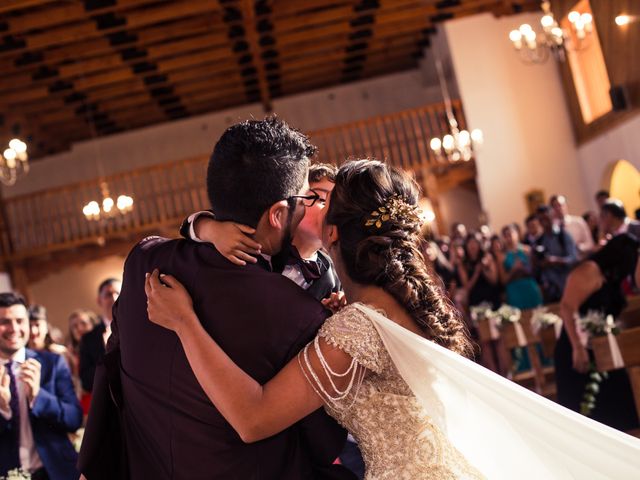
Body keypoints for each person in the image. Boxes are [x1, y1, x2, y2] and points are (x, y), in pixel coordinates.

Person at [146, 159, 640, 479]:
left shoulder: (357, 330)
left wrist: (185, 323)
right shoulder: (417, 309)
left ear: (334, 234)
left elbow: (253, 418)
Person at [78, 117, 351, 480]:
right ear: (278, 214)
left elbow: (114, 363)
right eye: (304, 197)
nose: (308, 207)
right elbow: (322, 442)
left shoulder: (144, 261)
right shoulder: (297, 316)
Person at [556, 233, 640, 431]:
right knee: (587, 412)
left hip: (602, 351)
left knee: (621, 405)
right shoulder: (589, 270)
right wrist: (578, 347)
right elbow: (567, 308)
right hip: (576, 347)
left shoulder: (611, 277)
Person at [0, 293, 82, 480]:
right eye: (4, 321)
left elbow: (74, 419)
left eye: (20, 321)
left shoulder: (52, 363)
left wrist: (38, 396)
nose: (14, 328)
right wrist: (3, 409)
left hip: (56, 472)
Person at [78, 278, 120, 399]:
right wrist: (107, 352)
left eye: (118, 293)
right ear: (99, 300)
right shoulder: (88, 339)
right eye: (108, 294)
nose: (114, 298)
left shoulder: (136, 328)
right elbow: (86, 382)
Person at [535, 206, 578, 304]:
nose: (544, 222)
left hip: (567, 284)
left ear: (552, 216)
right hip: (551, 289)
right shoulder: (539, 241)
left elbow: (574, 259)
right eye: (541, 219)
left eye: (546, 218)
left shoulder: (563, 236)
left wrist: (556, 260)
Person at [499, 224, 542, 309]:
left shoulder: (527, 250)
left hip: (529, 285)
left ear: (517, 234)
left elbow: (535, 271)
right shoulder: (502, 256)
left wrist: (524, 269)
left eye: (511, 234)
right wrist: (513, 269)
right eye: (506, 235)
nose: (509, 237)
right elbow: (503, 280)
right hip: (514, 289)